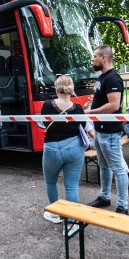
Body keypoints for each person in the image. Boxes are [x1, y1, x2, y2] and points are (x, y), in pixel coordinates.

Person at [84, 44, 129, 214]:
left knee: (118, 168)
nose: (92, 60)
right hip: (100, 130)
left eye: (95, 56)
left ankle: (123, 206)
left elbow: (113, 105)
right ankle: (104, 196)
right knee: (104, 166)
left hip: (110, 131)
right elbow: (104, 101)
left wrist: (90, 112)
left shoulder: (113, 78)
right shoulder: (102, 78)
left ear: (103, 58)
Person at [40, 75, 85, 236]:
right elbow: (83, 126)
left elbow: (45, 123)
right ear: (71, 88)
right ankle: (72, 224)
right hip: (74, 148)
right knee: (72, 186)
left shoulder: (47, 105)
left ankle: (56, 213)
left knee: (51, 182)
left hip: (51, 148)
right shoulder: (78, 109)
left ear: (56, 89)